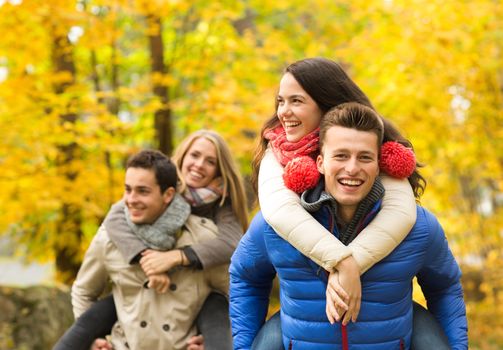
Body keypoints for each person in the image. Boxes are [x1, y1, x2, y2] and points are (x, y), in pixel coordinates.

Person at [230, 102, 468, 349]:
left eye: (365, 157)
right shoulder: (274, 225)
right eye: (341, 156)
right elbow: (246, 278)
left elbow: (445, 289)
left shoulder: (419, 227)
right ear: (320, 162)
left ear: (379, 167)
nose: (352, 169)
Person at [251, 57, 421, 329]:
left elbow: (399, 214)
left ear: (327, 101)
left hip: (382, 314)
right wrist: (342, 262)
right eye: (280, 101)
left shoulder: (371, 144)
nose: (284, 112)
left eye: (296, 101)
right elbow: (279, 211)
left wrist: (349, 266)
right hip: (303, 317)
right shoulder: (278, 148)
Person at [56, 130, 248, 350]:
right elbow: (116, 218)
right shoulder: (147, 189)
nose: (199, 165)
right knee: (110, 305)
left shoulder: (219, 206)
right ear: (182, 158)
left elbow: (231, 249)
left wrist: (178, 257)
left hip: (195, 287)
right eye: (194, 155)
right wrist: (146, 259)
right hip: (135, 307)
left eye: (210, 161)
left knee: (216, 304)